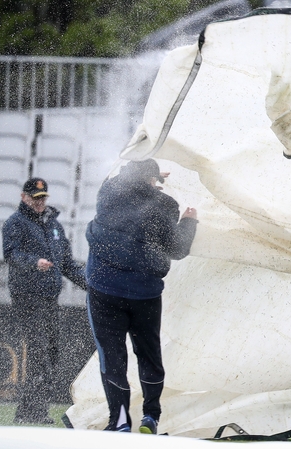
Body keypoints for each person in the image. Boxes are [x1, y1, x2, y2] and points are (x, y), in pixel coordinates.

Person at [85, 159, 198, 434]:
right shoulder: (164, 205)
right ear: (153, 180)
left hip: (104, 289)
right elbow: (178, 249)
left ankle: (120, 420)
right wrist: (189, 222)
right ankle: (151, 416)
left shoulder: (108, 193)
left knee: (112, 357)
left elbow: (119, 177)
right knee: (149, 354)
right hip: (144, 294)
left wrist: (146, 174)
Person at [2, 177, 88, 425]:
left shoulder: (54, 225)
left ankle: (34, 409)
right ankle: (30, 411)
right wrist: (34, 263)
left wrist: (91, 287)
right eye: (34, 198)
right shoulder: (15, 223)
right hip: (28, 297)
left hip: (50, 298)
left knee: (50, 352)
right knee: (38, 351)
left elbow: (67, 264)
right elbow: (11, 254)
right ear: (24, 197)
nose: (39, 203)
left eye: (42, 199)